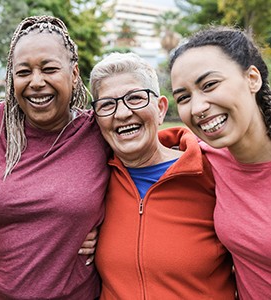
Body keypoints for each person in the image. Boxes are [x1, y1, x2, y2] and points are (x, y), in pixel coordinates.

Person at [0, 15, 111, 299]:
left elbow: (148, 160)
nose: (36, 82)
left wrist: (110, 234)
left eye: (49, 69)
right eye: (23, 72)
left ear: (73, 74)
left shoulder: (99, 131)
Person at [90, 52, 236, 299]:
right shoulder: (93, 183)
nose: (122, 113)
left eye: (135, 98)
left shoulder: (214, 171)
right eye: (107, 104)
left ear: (160, 109)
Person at [170, 26, 271, 299]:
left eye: (210, 85)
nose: (197, 107)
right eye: (183, 97)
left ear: (252, 79)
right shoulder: (207, 158)